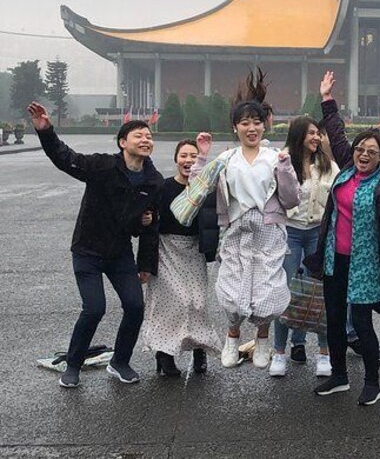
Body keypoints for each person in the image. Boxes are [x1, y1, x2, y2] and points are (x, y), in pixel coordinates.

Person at [28, 102, 163, 388]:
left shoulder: (153, 181)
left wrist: (145, 263)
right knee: (94, 309)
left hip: (120, 254)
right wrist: (46, 131)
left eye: (148, 136)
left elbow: (149, 229)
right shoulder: (102, 165)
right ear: (122, 142)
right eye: (138, 135)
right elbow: (67, 159)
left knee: (135, 306)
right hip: (87, 250)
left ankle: (120, 362)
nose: (145, 139)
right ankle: (73, 364)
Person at [181, 69, 300, 372]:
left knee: (268, 292)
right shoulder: (227, 158)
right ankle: (232, 336)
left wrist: (286, 168)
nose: (252, 128)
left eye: (256, 122)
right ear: (235, 127)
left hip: (268, 230)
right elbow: (197, 188)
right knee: (232, 292)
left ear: (264, 125)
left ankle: (262, 340)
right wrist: (203, 157)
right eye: (245, 122)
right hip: (236, 228)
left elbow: (291, 199)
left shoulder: (275, 157)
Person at [307, 70, 380, 406]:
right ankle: (339, 376)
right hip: (335, 259)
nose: (364, 154)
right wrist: (327, 100)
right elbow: (336, 134)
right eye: (360, 149)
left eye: (372, 151)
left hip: (364, 264)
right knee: (334, 319)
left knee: (362, 323)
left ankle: (371, 381)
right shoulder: (348, 170)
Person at [141, 140, 222, 377]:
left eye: (193, 156)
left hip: (195, 250)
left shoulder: (206, 187)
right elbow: (147, 215)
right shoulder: (163, 187)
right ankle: (164, 355)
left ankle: (199, 351)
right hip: (167, 249)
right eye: (183, 155)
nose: (188, 160)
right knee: (171, 304)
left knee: (196, 303)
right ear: (176, 159)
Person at [270, 116, 339, 378]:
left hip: (318, 234)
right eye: (311, 133)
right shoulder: (283, 161)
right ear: (299, 135)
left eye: (317, 134)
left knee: (319, 291)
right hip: (290, 231)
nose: (316, 138)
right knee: (284, 291)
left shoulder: (327, 165)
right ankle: (279, 353)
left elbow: (339, 197)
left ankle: (323, 354)